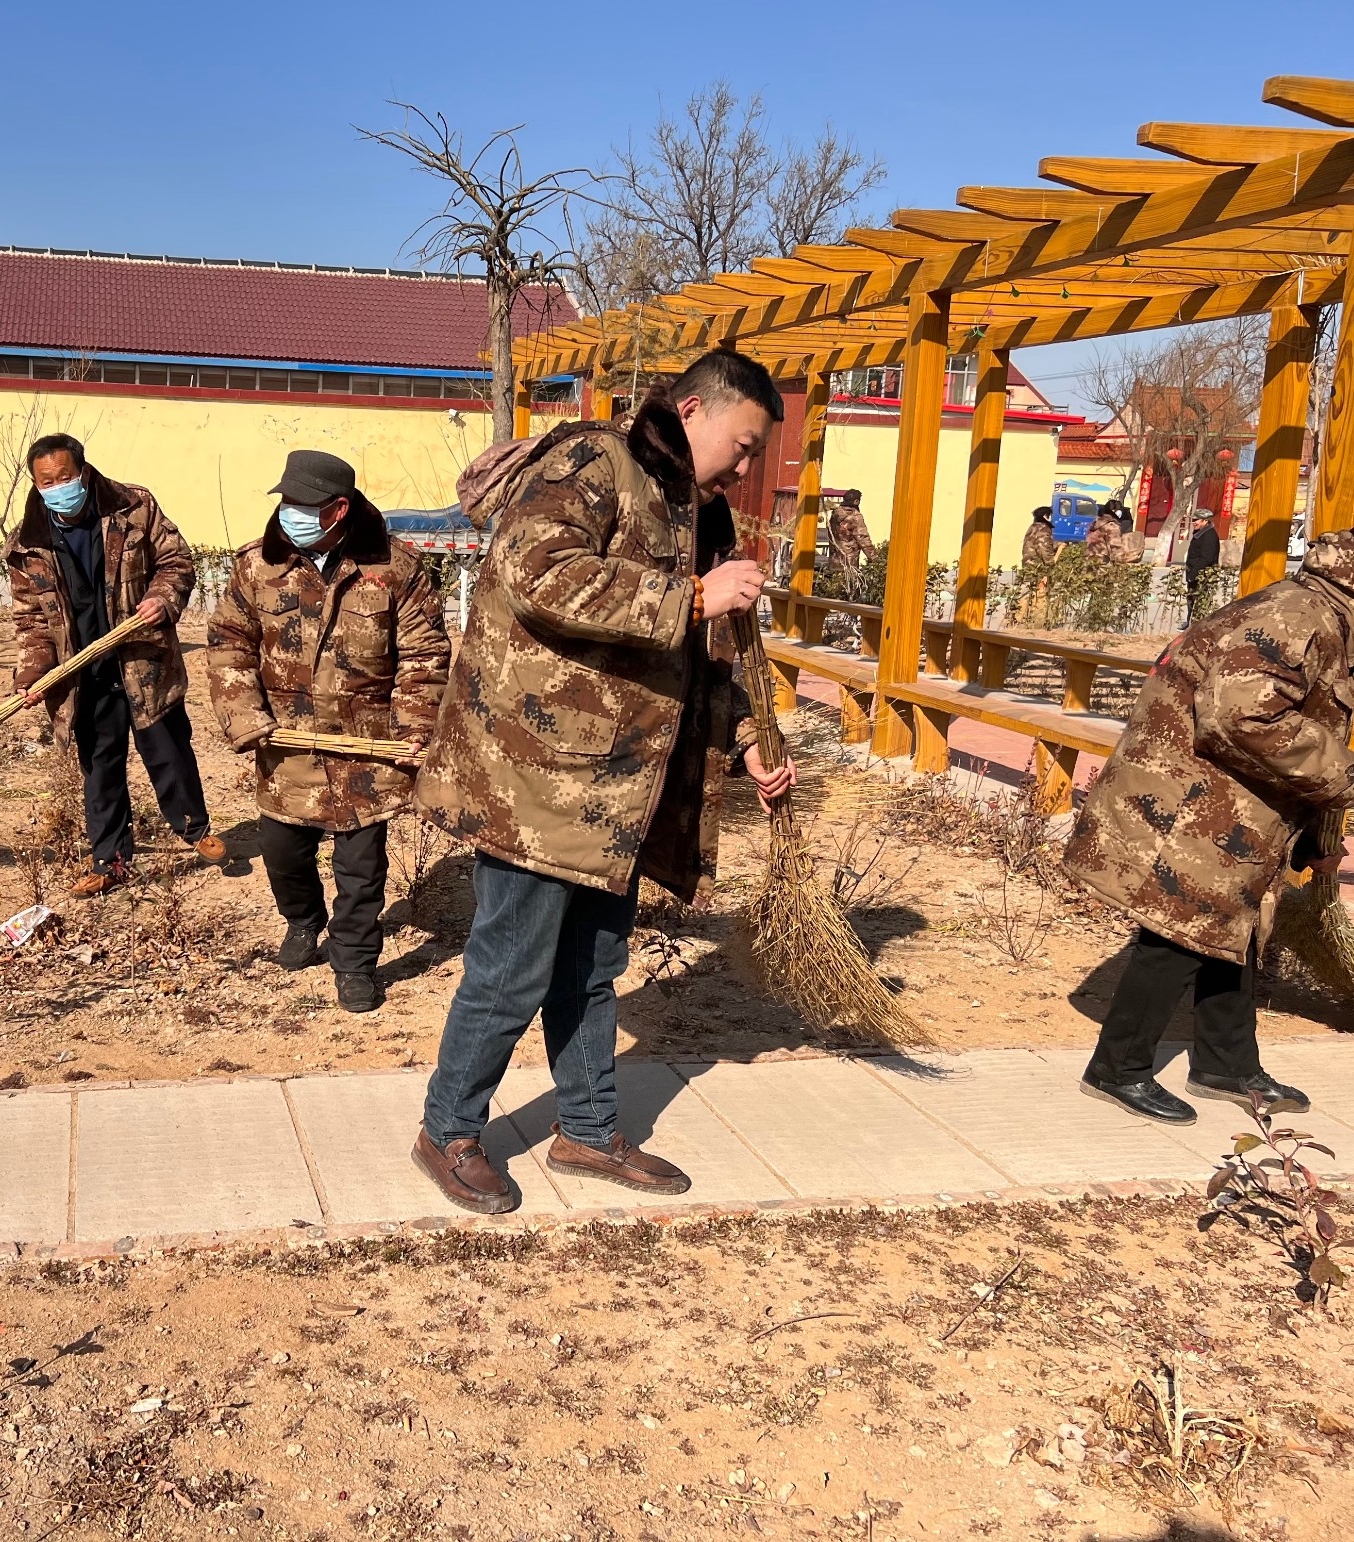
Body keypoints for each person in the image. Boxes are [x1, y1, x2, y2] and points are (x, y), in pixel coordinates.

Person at [411, 348, 796, 1214]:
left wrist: (744, 741)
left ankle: (585, 1130)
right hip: (536, 778)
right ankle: (448, 1129)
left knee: (591, 966)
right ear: (692, 410)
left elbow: (708, 660)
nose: (744, 467)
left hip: (620, 789)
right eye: (740, 445)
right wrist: (692, 596)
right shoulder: (594, 462)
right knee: (510, 968)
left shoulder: (696, 512)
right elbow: (536, 573)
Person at [1065, 520, 1354, 1125]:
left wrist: (1316, 832)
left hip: (1234, 801)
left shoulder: (1330, 616)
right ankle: (1117, 1069)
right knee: (1178, 931)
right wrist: (1345, 777)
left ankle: (1225, 1064)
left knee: (1233, 929)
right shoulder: (1301, 616)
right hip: (1193, 796)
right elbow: (1242, 717)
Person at [205, 451, 450, 1013]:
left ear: (338, 510)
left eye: (301, 505)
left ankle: (356, 962)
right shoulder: (257, 567)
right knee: (281, 851)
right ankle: (302, 921)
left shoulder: (396, 570)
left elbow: (424, 655)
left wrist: (414, 727)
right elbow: (228, 643)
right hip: (286, 746)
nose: (288, 514)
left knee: (361, 872)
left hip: (368, 752)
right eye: (285, 502)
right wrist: (245, 716)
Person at [6, 434, 225, 897]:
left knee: (168, 751)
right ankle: (111, 860)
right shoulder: (27, 543)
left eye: (65, 477)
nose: (57, 486)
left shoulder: (133, 506)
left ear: (84, 472)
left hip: (142, 659)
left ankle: (194, 827)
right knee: (101, 767)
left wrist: (161, 598)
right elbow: (30, 620)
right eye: (47, 481)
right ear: (36, 484)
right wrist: (34, 673)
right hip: (83, 673)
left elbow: (177, 561)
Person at [827, 488, 876, 595]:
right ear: (856, 501)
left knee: (834, 592)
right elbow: (863, 538)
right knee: (849, 594)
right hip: (850, 562)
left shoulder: (835, 514)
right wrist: (874, 559)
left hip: (835, 559)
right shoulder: (855, 516)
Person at [1184, 507, 1222, 624]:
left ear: (1205, 521)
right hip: (1195, 574)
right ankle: (1190, 623)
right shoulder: (1200, 533)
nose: (1193, 522)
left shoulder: (1209, 535)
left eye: (1197, 520)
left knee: (1200, 601)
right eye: (1193, 519)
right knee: (1191, 599)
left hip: (1202, 575)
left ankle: (1196, 625)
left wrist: (1193, 574)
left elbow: (1206, 558)